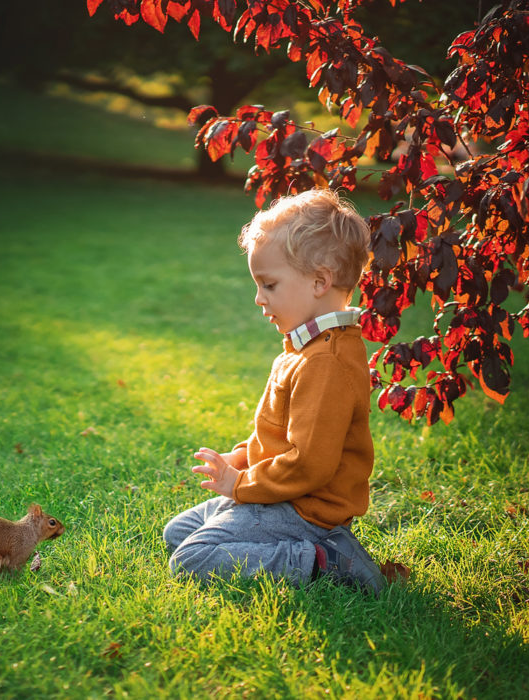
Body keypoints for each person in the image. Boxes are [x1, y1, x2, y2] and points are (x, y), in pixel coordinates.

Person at [163, 188, 384, 593]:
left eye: (269, 285)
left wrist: (239, 485)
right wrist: (244, 458)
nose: (258, 298)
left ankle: (321, 559)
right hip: (279, 495)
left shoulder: (327, 363)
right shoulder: (304, 348)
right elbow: (281, 436)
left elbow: (307, 466)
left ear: (320, 281)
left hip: (304, 508)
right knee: (177, 532)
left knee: (190, 559)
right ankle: (303, 546)